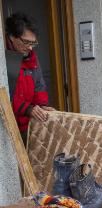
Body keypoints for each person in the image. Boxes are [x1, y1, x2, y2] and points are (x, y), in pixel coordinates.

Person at [5, 12, 54, 145]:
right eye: (26, 42)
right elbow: (4, 96)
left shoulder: (31, 56)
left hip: (29, 124)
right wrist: (28, 109)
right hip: (9, 126)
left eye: (33, 43)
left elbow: (39, 85)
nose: (30, 47)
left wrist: (42, 106)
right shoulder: (4, 58)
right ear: (12, 37)